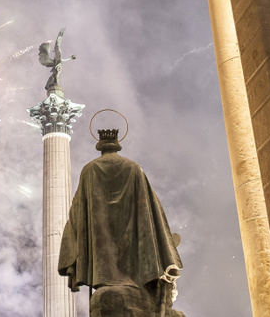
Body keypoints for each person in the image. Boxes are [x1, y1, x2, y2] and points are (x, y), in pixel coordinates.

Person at [59, 128, 184, 317]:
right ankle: (133, 279)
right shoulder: (133, 168)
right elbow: (149, 208)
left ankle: (107, 278)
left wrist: (71, 239)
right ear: (117, 145)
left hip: (100, 249)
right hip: (134, 251)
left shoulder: (89, 170)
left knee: (102, 242)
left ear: (100, 146)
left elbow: (77, 211)